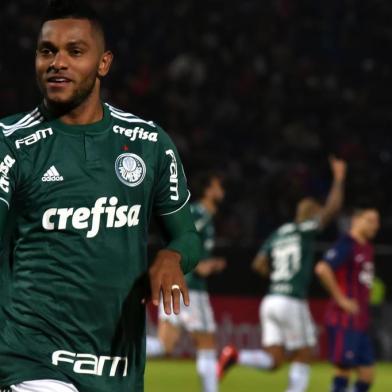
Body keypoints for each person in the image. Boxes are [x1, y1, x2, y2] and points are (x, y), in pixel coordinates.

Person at [0, 1, 201, 391]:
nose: (57, 62)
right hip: (31, 361)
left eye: (74, 51)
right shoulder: (11, 143)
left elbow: (187, 235)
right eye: (47, 51)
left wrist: (173, 256)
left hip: (118, 367)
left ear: (103, 63)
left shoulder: (149, 143)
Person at [218, 157, 347, 392]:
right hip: (291, 301)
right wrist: (338, 178)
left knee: (275, 360)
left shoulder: (278, 233)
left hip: (271, 300)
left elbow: (257, 264)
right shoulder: (304, 230)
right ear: (312, 215)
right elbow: (333, 209)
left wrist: (278, 276)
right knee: (304, 352)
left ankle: (236, 356)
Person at [146, 172, 226, 392]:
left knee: (165, 345)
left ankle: (120, 347)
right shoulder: (200, 214)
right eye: (219, 185)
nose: (223, 191)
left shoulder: (200, 214)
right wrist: (199, 265)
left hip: (174, 283)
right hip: (190, 287)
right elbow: (179, 237)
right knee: (207, 344)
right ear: (208, 190)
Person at [315, 207, 380, 392]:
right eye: (370, 220)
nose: (376, 226)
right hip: (344, 319)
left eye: (377, 221)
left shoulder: (367, 247)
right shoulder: (346, 243)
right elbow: (322, 268)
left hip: (360, 320)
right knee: (343, 370)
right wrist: (341, 299)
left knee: (367, 373)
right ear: (356, 220)